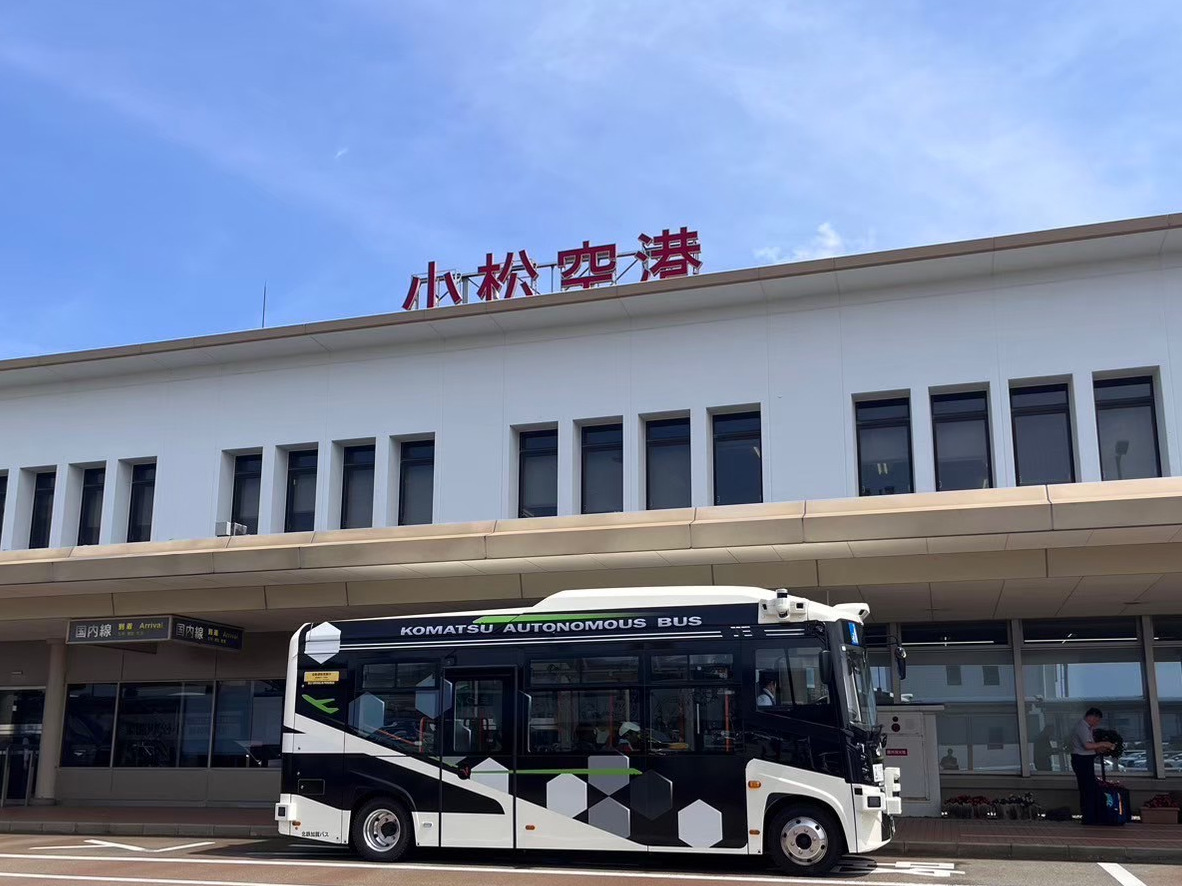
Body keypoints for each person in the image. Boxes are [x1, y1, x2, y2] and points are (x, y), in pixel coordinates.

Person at [1070, 707, 1115, 825]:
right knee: (1087, 789)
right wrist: (1104, 743)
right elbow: (1087, 745)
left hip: (1086, 759)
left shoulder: (1088, 728)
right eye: (1097, 720)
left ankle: (1094, 816)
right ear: (1092, 716)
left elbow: (1090, 748)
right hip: (1081, 760)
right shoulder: (1082, 727)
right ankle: (1089, 817)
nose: (1097, 723)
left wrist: (1099, 749)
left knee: (1091, 788)